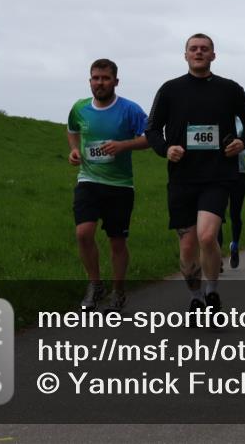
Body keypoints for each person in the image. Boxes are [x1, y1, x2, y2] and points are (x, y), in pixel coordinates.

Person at [146, 34, 245, 318]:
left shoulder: (229, 89)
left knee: (207, 237)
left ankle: (211, 293)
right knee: (187, 247)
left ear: (213, 55)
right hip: (182, 177)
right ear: (185, 55)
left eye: (204, 49)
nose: (199, 52)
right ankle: (195, 298)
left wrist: (243, 142)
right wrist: (165, 148)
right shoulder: (170, 90)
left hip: (218, 174)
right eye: (193, 49)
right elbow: (152, 129)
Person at [67, 58, 149, 312]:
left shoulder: (130, 110)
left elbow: (150, 138)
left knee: (117, 242)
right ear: (90, 81)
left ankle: (118, 291)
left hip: (120, 185)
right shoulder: (80, 108)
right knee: (83, 233)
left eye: (105, 78)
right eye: (95, 78)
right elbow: (71, 129)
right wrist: (74, 151)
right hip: (89, 180)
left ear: (115, 81)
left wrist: (124, 145)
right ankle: (95, 285)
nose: (99, 83)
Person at [217, 117, 245, 269]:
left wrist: (238, 148)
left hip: (238, 174)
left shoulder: (241, 123)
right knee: (217, 215)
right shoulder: (214, 119)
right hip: (218, 174)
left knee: (235, 214)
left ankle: (234, 247)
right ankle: (217, 256)